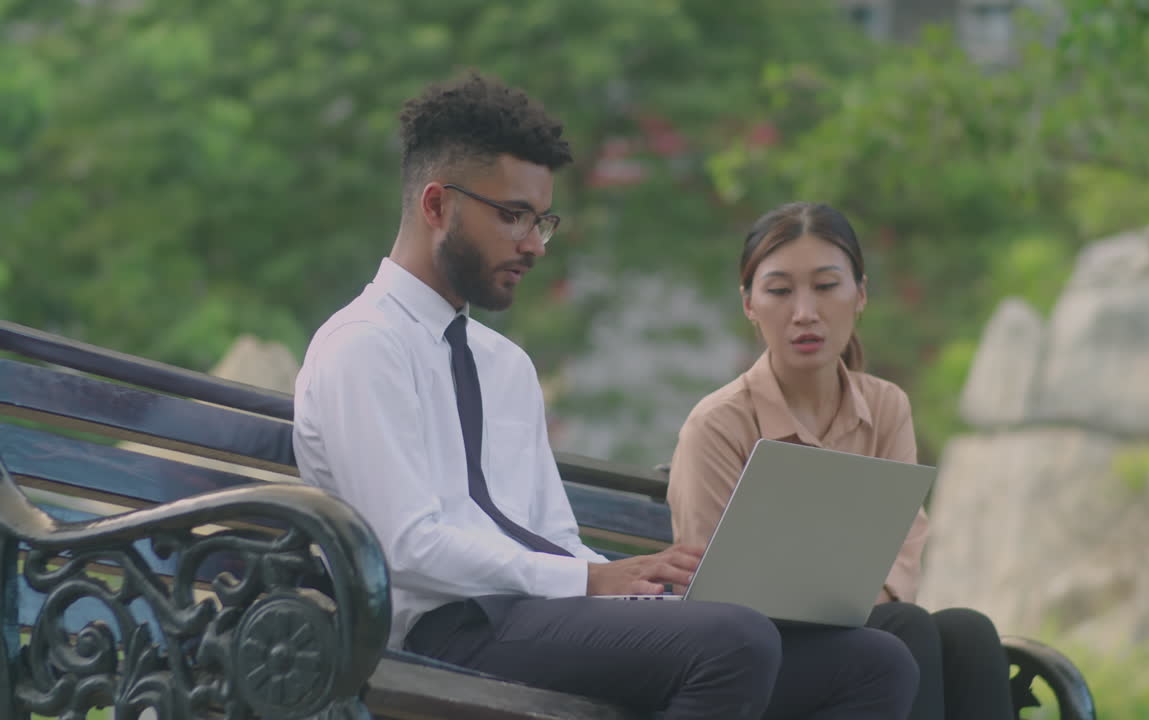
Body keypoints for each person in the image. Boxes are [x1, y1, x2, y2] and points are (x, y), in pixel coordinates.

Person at [293, 74, 919, 719]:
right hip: (438, 632)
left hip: (539, 620)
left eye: (542, 221)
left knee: (872, 664)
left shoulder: (503, 364)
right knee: (734, 642)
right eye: (513, 216)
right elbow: (406, 547)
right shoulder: (362, 347)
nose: (534, 244)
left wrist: (638, 588)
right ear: (435, 206)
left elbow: (553, 537)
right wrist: (588, 579)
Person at [666, 202, 1016, 720]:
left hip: (867, 629)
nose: (804, 312)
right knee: (904, 632)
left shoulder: (886, 406)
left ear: (861, 294)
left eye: (826, 286)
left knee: (968, 632)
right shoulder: (718, 424)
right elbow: (710, 594)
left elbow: (902, 547)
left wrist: (847, 606)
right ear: (749, 304)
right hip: (758, 658)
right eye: (780, 291)